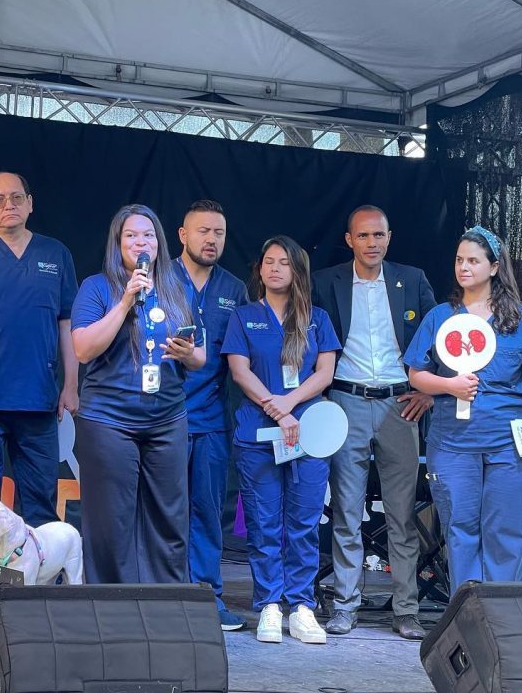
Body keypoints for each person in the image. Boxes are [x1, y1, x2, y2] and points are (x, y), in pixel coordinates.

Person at [404, 226, 522, 592]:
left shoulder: (519, 319)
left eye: (473, 260)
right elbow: (415, 374)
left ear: (494, 266)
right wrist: (447, 385)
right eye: (459, 260)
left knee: (506, 531)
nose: (464, 267)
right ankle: (467, 621)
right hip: (454, 445)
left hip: (508, 444)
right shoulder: (440, 317)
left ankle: (506, 621)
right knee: (461, 530)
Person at [311, 204, 436, 641]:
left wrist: (427, 390)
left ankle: (406, 610)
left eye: (379, 235)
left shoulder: (413, 279)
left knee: (402, 515)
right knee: (346, 511)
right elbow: (309, 339)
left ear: (389, 237)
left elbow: (439, 337)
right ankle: (345, 606)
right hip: (346, 399)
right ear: (349, 240)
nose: (372, 243)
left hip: (400, 404)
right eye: (363, 236)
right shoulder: (327, 281)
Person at [71, 204, 205, 584]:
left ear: (159, 243)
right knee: (111, 519)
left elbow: (200, 356)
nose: (140, 242)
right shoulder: (96, 288)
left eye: (147, 235)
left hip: (167, 420)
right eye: (131, 235)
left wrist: (187, 353)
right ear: (118, 243)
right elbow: (83, 349)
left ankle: (166, 606)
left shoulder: (177, 289)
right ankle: (113, 608)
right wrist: (126, 301)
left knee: (170, 516)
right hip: (109, 420)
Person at [223, 235, 340, 645]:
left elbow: (324, 374)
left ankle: (302, 607)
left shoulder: (318, 319)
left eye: (283, 262)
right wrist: (278, 411)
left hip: (309, 434)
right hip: (258, 433)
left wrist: (290, 404)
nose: (274, 268)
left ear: (297, 271)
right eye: (268, 261)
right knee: (264, 522)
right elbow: (239, 372)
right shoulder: (243, 317)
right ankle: (270, 605)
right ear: (259, 269)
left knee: (304, 523)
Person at [0, 171, 78, 526]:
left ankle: (37, 583)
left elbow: (66, 323)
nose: (9, 205)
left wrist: (71, 385)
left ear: (30, 203)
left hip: (39, 399)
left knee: (40, 501)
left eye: (17, 197)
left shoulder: (55, 253)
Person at [171, 200, 249, 631]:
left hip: (212, 421)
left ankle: (207, 596)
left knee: (206, 511)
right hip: (160, 418)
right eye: (202, 231)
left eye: (218, 232)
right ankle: (164, 593)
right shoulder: (158, 279)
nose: (211, 239)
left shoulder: (234, 288)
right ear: (182, 235)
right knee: (163, 511)